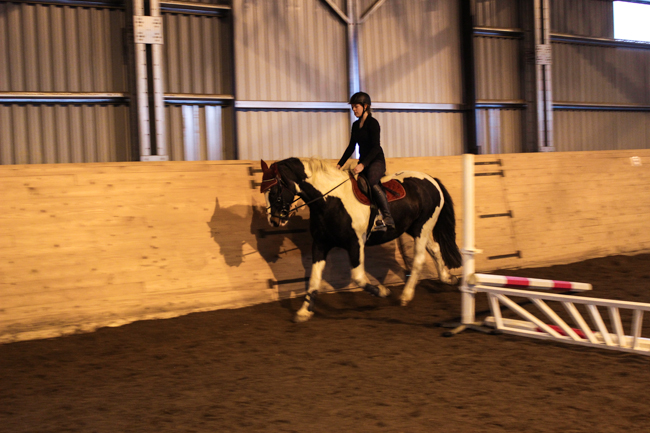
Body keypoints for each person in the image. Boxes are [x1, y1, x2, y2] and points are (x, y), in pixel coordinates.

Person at [337, 92, 395, 231]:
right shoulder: (355, 125)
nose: (353, 109)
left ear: (365, 106)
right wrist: (339, 164)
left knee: (371, 180)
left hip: (376, 161)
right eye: (352, 107)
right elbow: (351, 147)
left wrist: (363, 164)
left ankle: (387, 217)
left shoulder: (373, 123)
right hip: (363, 161)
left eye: (356, 106)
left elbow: (376, 147)